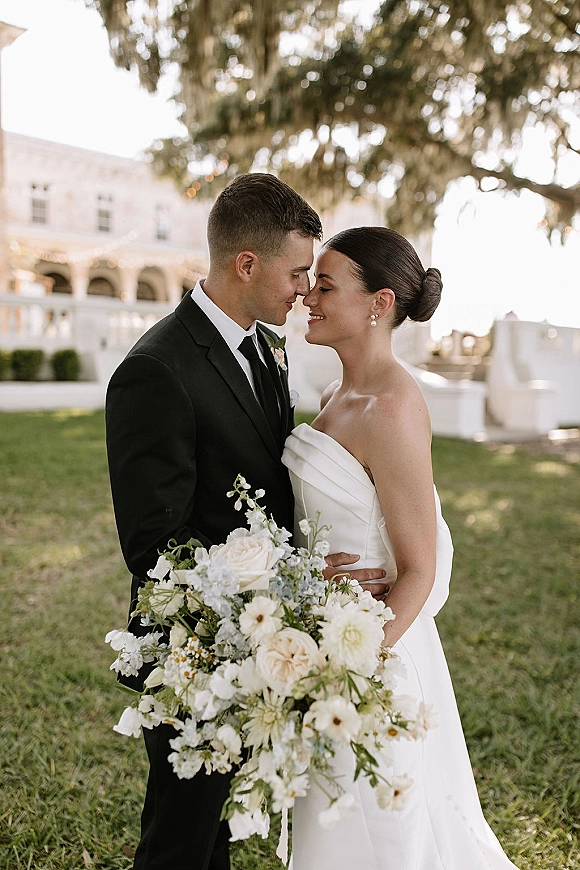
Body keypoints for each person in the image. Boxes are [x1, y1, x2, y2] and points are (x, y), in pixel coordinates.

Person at [105, 174, 386, 870]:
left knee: (222, 833)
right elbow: (152, 546)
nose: (305, 290)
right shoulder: (155, 370)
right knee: (180, 837)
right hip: (193, 648)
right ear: (247, 265)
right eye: (298, 273)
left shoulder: (269, 345)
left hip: (259, 644)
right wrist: (279, 590)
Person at [282, 226, 519, 869]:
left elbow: (418, 568)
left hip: (372, 664)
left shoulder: (392, 407)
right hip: (327, 636)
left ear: (379, 304)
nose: (309, 296)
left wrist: (348, 671)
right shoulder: (336, 398)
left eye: (326, 285)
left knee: (381, 833)